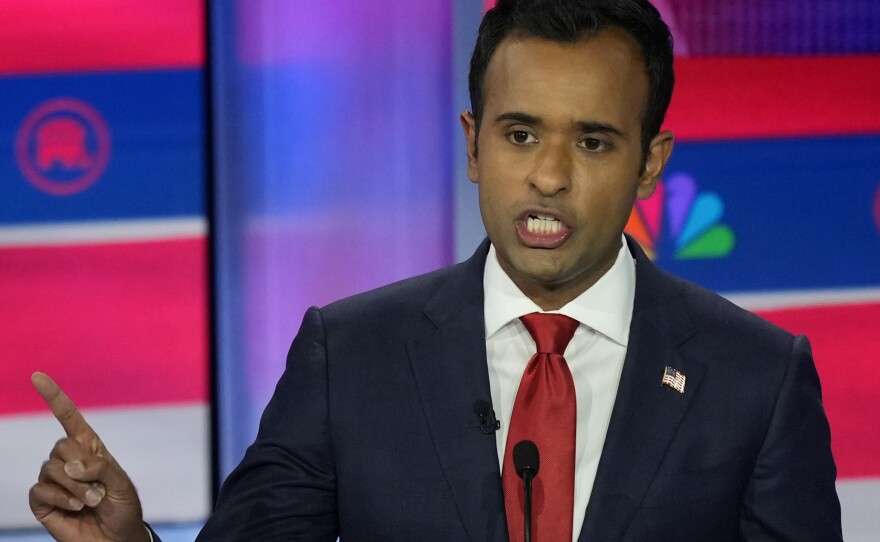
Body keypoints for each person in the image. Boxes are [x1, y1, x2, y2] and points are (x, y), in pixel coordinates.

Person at [29, 0, 842, 540]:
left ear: (649, 163)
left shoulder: (756, 381)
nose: (549, 176)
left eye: (592, 141)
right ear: (472, 144)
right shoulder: (347, 356)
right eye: (520, 134)